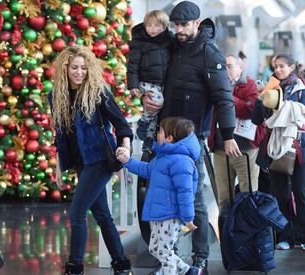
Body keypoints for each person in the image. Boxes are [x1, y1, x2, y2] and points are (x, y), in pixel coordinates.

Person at [143, 1, 241, 273]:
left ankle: (200, 260)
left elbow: (224, 99)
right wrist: (146, 98)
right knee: (162, 196)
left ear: (198, 23)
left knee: (193, 199)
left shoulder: (210, 54)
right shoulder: (173, 47)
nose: (179, 30)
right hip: (164, 137)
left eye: (184, 25)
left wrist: (229, 135)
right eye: (176, 25)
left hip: (189, 139)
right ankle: (169, 259)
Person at [48, 45, 133, 275]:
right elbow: (61, 135)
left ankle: (74, 267)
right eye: (74, 67)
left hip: (100, 161)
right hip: (81, 164)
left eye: (83, 68)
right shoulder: (56, 96)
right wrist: (58, 165)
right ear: (65, 68)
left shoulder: (98, 92)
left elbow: (122, 124)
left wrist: (125, 147)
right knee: (103, 216)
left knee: (77, 213)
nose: (79, 72)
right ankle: (121, 264)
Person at [116, 117, 203, 275]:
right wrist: (127, 161)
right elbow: (147, 170)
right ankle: (189, 271)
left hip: (170, 215)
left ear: (169, 138)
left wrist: (188, 218)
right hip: (160, 213)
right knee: (155, 248)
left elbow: (185, 192)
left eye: (160, 131)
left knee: (163, 251)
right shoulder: (162, 158)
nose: (157, 134)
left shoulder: (181, 162)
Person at [253, 53, 305, 251]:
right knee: (281, 194)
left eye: (282, 66)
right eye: (275, 66)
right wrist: (262, 98)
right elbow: (256, 119)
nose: (278, 70)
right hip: (276, 147)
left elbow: (303, 113)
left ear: (292, 67)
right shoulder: (271, 89)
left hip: (298, 147)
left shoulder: (302, 89)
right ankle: (285, 236)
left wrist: (279, 104)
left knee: (300, 191)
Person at [209, 54, 259, 206]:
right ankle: (225, 228)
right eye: (222, 67)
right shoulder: (214, 85)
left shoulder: (249, 84)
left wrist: (227, 98)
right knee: (224, 198)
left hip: (245, 151)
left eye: (229, 66)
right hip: (219, 149)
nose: (225, 70)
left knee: (248, 196)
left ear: (240, 67)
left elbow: (250, 110)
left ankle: (247, 229)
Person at [127, 10, 173, 146]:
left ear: (165, 27)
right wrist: (133, 85)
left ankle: (149, 133)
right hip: (147, 81)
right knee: (157, 102)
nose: (152, 29)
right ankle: (143, 123)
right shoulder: (139, 42)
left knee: (158, 113)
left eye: (157, 26)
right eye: (149, 25)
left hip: (162, 83)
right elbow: (133, 64)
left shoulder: (170, 41)